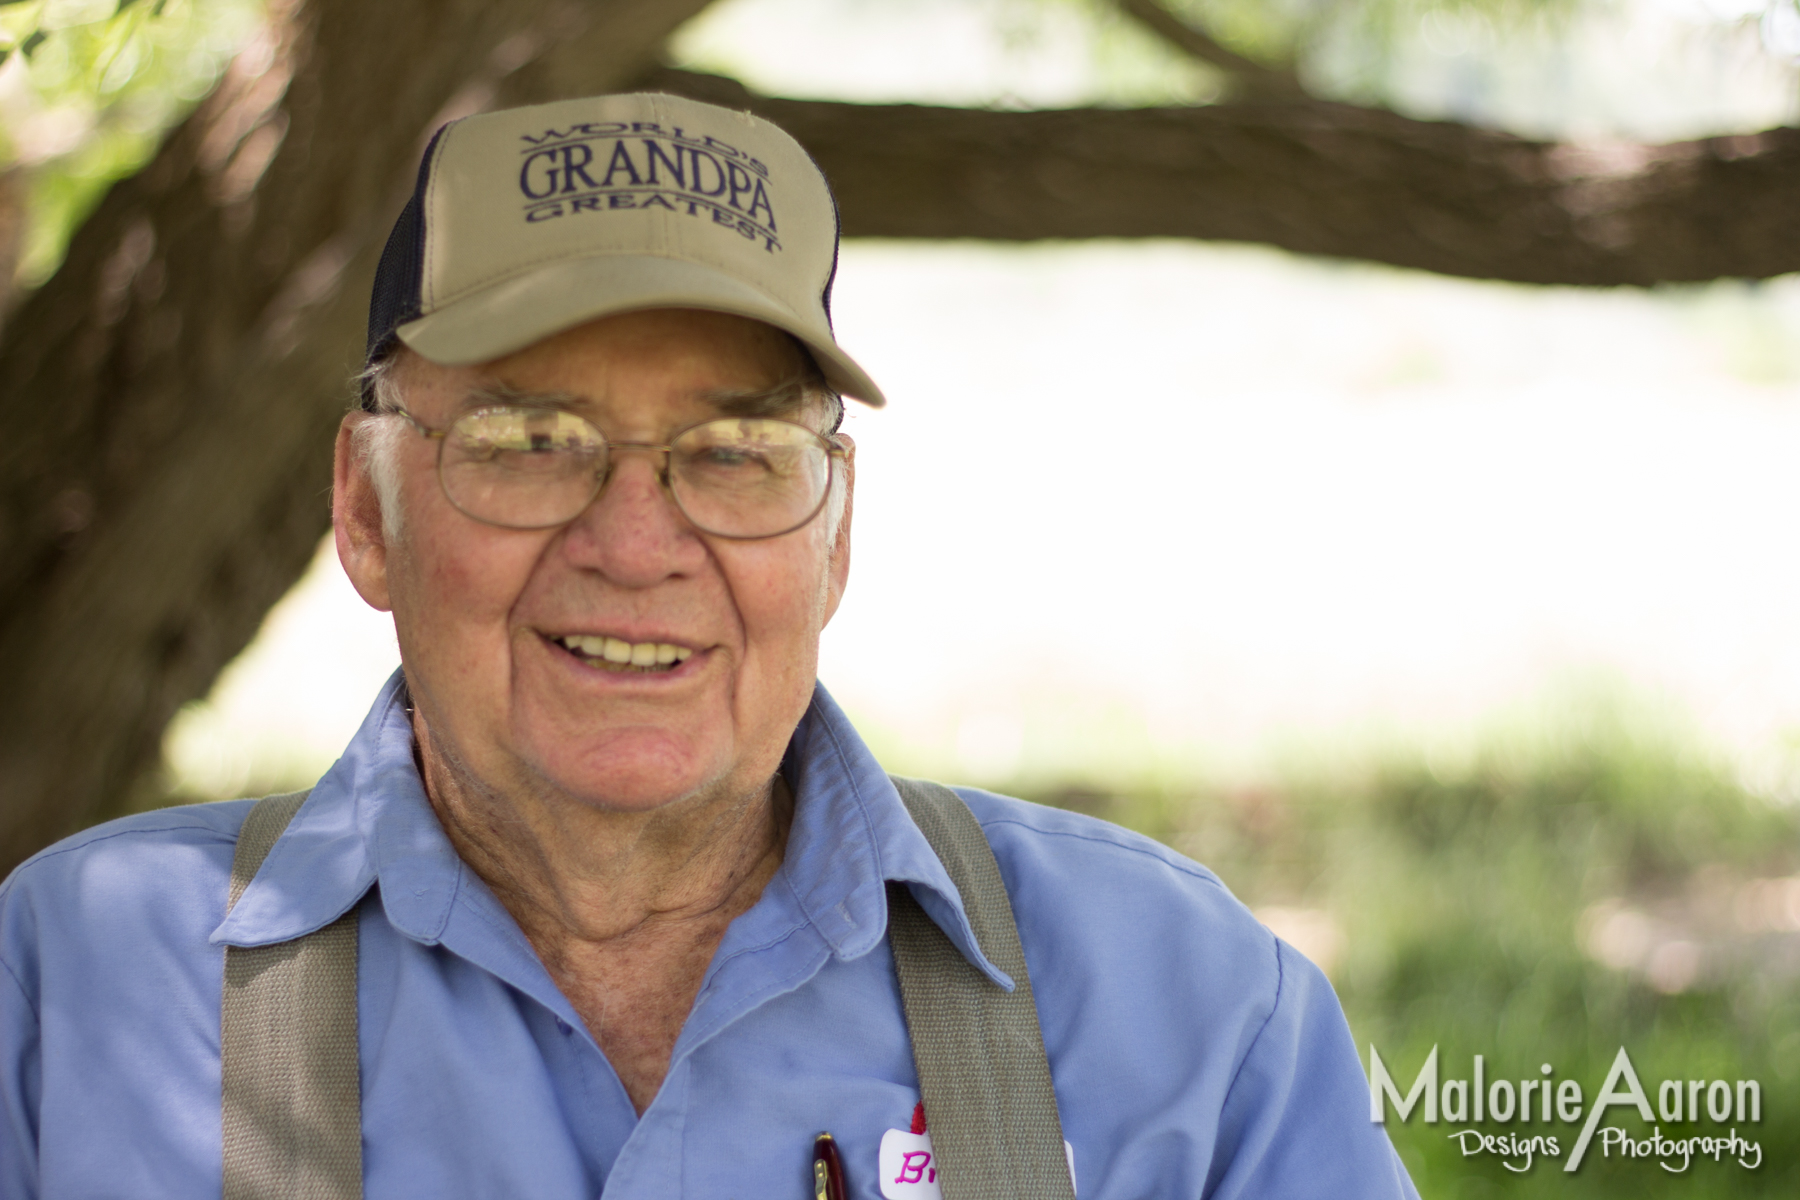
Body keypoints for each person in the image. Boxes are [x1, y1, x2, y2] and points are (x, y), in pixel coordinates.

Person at [0, 92, 1417, 1198]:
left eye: (734, 451)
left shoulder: (1189, 1010)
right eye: (527, 439)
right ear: (363, 514)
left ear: (836, 536)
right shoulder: (69, 995)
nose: (634, 540)